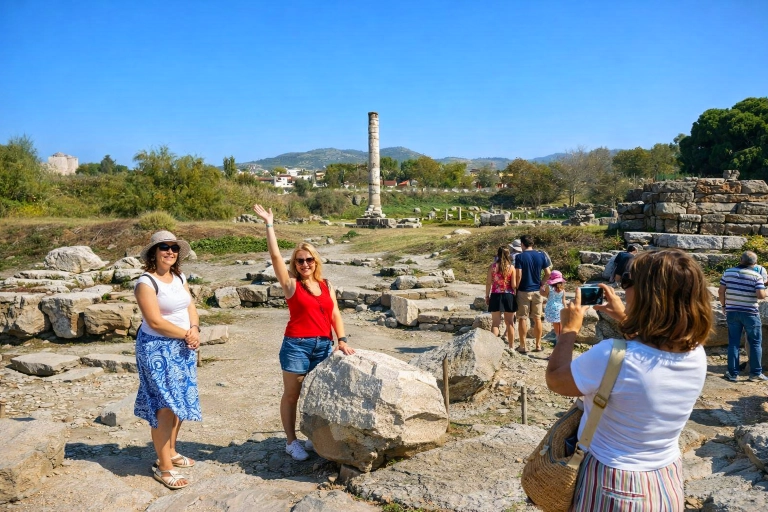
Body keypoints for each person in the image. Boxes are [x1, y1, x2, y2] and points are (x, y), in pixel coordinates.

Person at [547, 249, 712, 510]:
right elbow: (653, 348)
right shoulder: (696, 353)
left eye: (627, 281)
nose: (623, 289)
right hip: (664, 479)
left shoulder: (613, 355)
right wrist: (624, 316)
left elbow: (556, 380)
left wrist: (568, 332)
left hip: (611, 481)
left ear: (648, 294)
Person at [252, 204, 355, 461]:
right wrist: (269, 224)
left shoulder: (326, 284)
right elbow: (275, 257)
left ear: (315, 261)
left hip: (323, 346)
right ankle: (290, 441)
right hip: (296, 345)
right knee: (292, 395)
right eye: (300, 260)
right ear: (295, 264)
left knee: (316, 394)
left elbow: (334, 314)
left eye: (309, 259)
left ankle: (312, 437)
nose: (305, 264)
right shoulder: (291, 285)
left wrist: (341, 340)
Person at [133, 231, 201, 490]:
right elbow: (154, 321)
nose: (170, 251)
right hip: (157, 349)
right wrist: (187, 334)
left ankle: (171, 451)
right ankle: (164, 468)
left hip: (183, 346)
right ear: (154, 252)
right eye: (164, 247)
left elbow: (189, 306)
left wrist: (195, 328)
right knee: (165, 406)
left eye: (174, 248)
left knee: (180, 400)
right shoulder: (146, 282)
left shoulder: (179, 276)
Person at [719, 251, 768, 382]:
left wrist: (724, 306)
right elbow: (761, 295)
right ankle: (755, 374)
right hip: (750, 313)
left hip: (732, 312)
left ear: (741, 260)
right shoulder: (756, 275)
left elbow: (721, 291)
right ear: (755, 263)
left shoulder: (728, 272)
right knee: (755, 343)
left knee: (733, 343)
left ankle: (732, 374)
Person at [515, 234, 552, 353]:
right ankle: (538, 345)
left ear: (522, 244)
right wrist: (542, 283)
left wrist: (516, 288)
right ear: (532, 244)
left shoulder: (520, 257)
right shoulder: (541, 255)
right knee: (537, 319)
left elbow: (519, 275)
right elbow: (548, 273)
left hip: (524, 290)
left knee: (522, 318)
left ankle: (523, 346)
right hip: (537, 291)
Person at [485, 246, 517, 349]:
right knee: (510, 323)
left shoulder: (492, 266)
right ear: (509, 255)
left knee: (495, 324)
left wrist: (487, 295)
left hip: (495, 295)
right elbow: (514, 285)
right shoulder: (511, 268)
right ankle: (511, 347)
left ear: (497, 254)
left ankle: (493, 348)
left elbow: (488, 282)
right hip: (508, 295)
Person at [542, 270, 566, 338]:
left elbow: (545, 295)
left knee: (555, 324)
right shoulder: (562, 289)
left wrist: (541, 289)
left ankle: (558, 337)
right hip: (560, 307)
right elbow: (564, 300)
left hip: (551, 307)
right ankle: (561, 337)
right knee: (560, 323)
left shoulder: (549, 287)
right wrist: (566, 308)